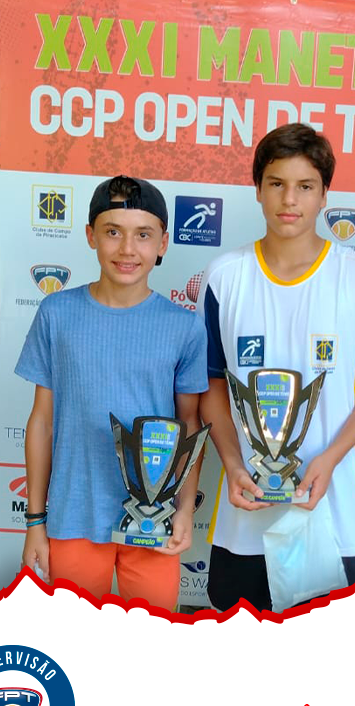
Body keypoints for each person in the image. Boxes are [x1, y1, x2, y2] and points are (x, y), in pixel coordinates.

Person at [198, 123, 355, 612]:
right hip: (245, 516)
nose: (290, 199)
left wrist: (329, 459)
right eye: (277, 183)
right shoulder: (225, 277)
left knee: (326, 654)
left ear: (325, 194)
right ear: (258, 190)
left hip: (333, 514)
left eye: (305, 186)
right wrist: (232, 463)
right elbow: (211, 385)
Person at [16, 175, 208, 611]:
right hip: (74, 518)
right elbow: (42, 422)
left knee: (151, 643)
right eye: (113, 232)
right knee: (75, 643)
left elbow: (189, 426)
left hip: (154, 524)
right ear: (91, 236)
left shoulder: (183, 327)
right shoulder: (56, 313)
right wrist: (35, 521)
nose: (127, 249)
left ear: (162, 243)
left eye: (143, 235)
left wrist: (183, 511)